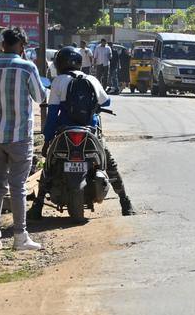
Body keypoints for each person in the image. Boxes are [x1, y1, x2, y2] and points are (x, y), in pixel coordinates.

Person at [31, 47, 135, 217]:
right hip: (90, 132)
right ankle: (125, 202)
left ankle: (38, 206)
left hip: (64, 133)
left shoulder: (58, 81)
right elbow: (106, 101)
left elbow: (52, 116)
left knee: (49, 165)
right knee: (109, 163)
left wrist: (48, 139)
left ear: (59, 64)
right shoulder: (92, 79)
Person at [0, 27, 47, 250]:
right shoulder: (27, 68)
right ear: (22, 46)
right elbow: (40, 96)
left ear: (1, 45)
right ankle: (19, 236)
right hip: (20, 137)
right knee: (18, 186)